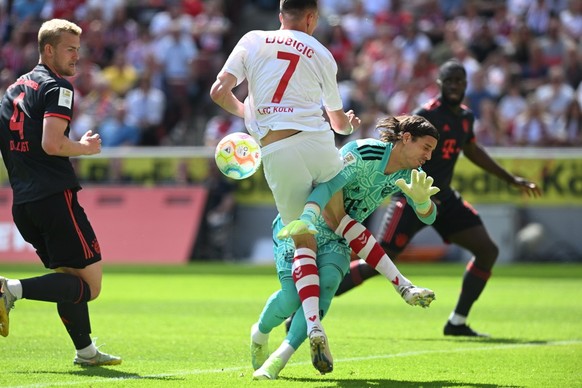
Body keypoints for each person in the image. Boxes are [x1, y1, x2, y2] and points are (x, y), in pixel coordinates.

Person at [333, 60, 543, 337]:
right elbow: (398, 149)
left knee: (488, 250)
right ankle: (312, 300)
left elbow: (472, 150)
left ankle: (457, 321)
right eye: (451, 81)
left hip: (443, 199)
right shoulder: (427, 115)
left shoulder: (466, 118)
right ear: (441, 84)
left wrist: (511, 178)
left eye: (460, 81)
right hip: (410, 196)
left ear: (466, 85)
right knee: (379, 260)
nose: (456, 86)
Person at [210, 0, 360, 374]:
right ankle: (392, 279)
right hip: (317, 142)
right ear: (311, 18)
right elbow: (339, 123)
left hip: (277, 149)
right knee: (337, 217)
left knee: (301, 238)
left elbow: (218, 91)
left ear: (281, 15)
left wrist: (251, 115)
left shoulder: (252, 39)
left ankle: (312, 324)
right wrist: (350, 127)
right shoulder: (322, 52)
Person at [251, 115, 440, 380]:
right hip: (305, 223)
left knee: (327, 284)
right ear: (406, 139)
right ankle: (259, 335)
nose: (428, 157)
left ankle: (277, 360)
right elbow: (327, 188)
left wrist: (422, 204)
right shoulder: (362, 152)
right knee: (292, 297)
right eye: (426, 148)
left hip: (342, 234)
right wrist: (306, 217)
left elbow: (430, 216)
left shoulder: (410, 175)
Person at [0, 18, 121, 366]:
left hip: (23, 203)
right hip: (55, 199)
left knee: (67, 279)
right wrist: (84, 148)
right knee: (90, 286)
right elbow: (52, 144)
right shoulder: (58, 88)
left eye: (78, 50)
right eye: (70, 49)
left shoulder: (12, 90)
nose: (76, 57)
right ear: (48, 49)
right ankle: (11, 289)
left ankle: (85, 352)